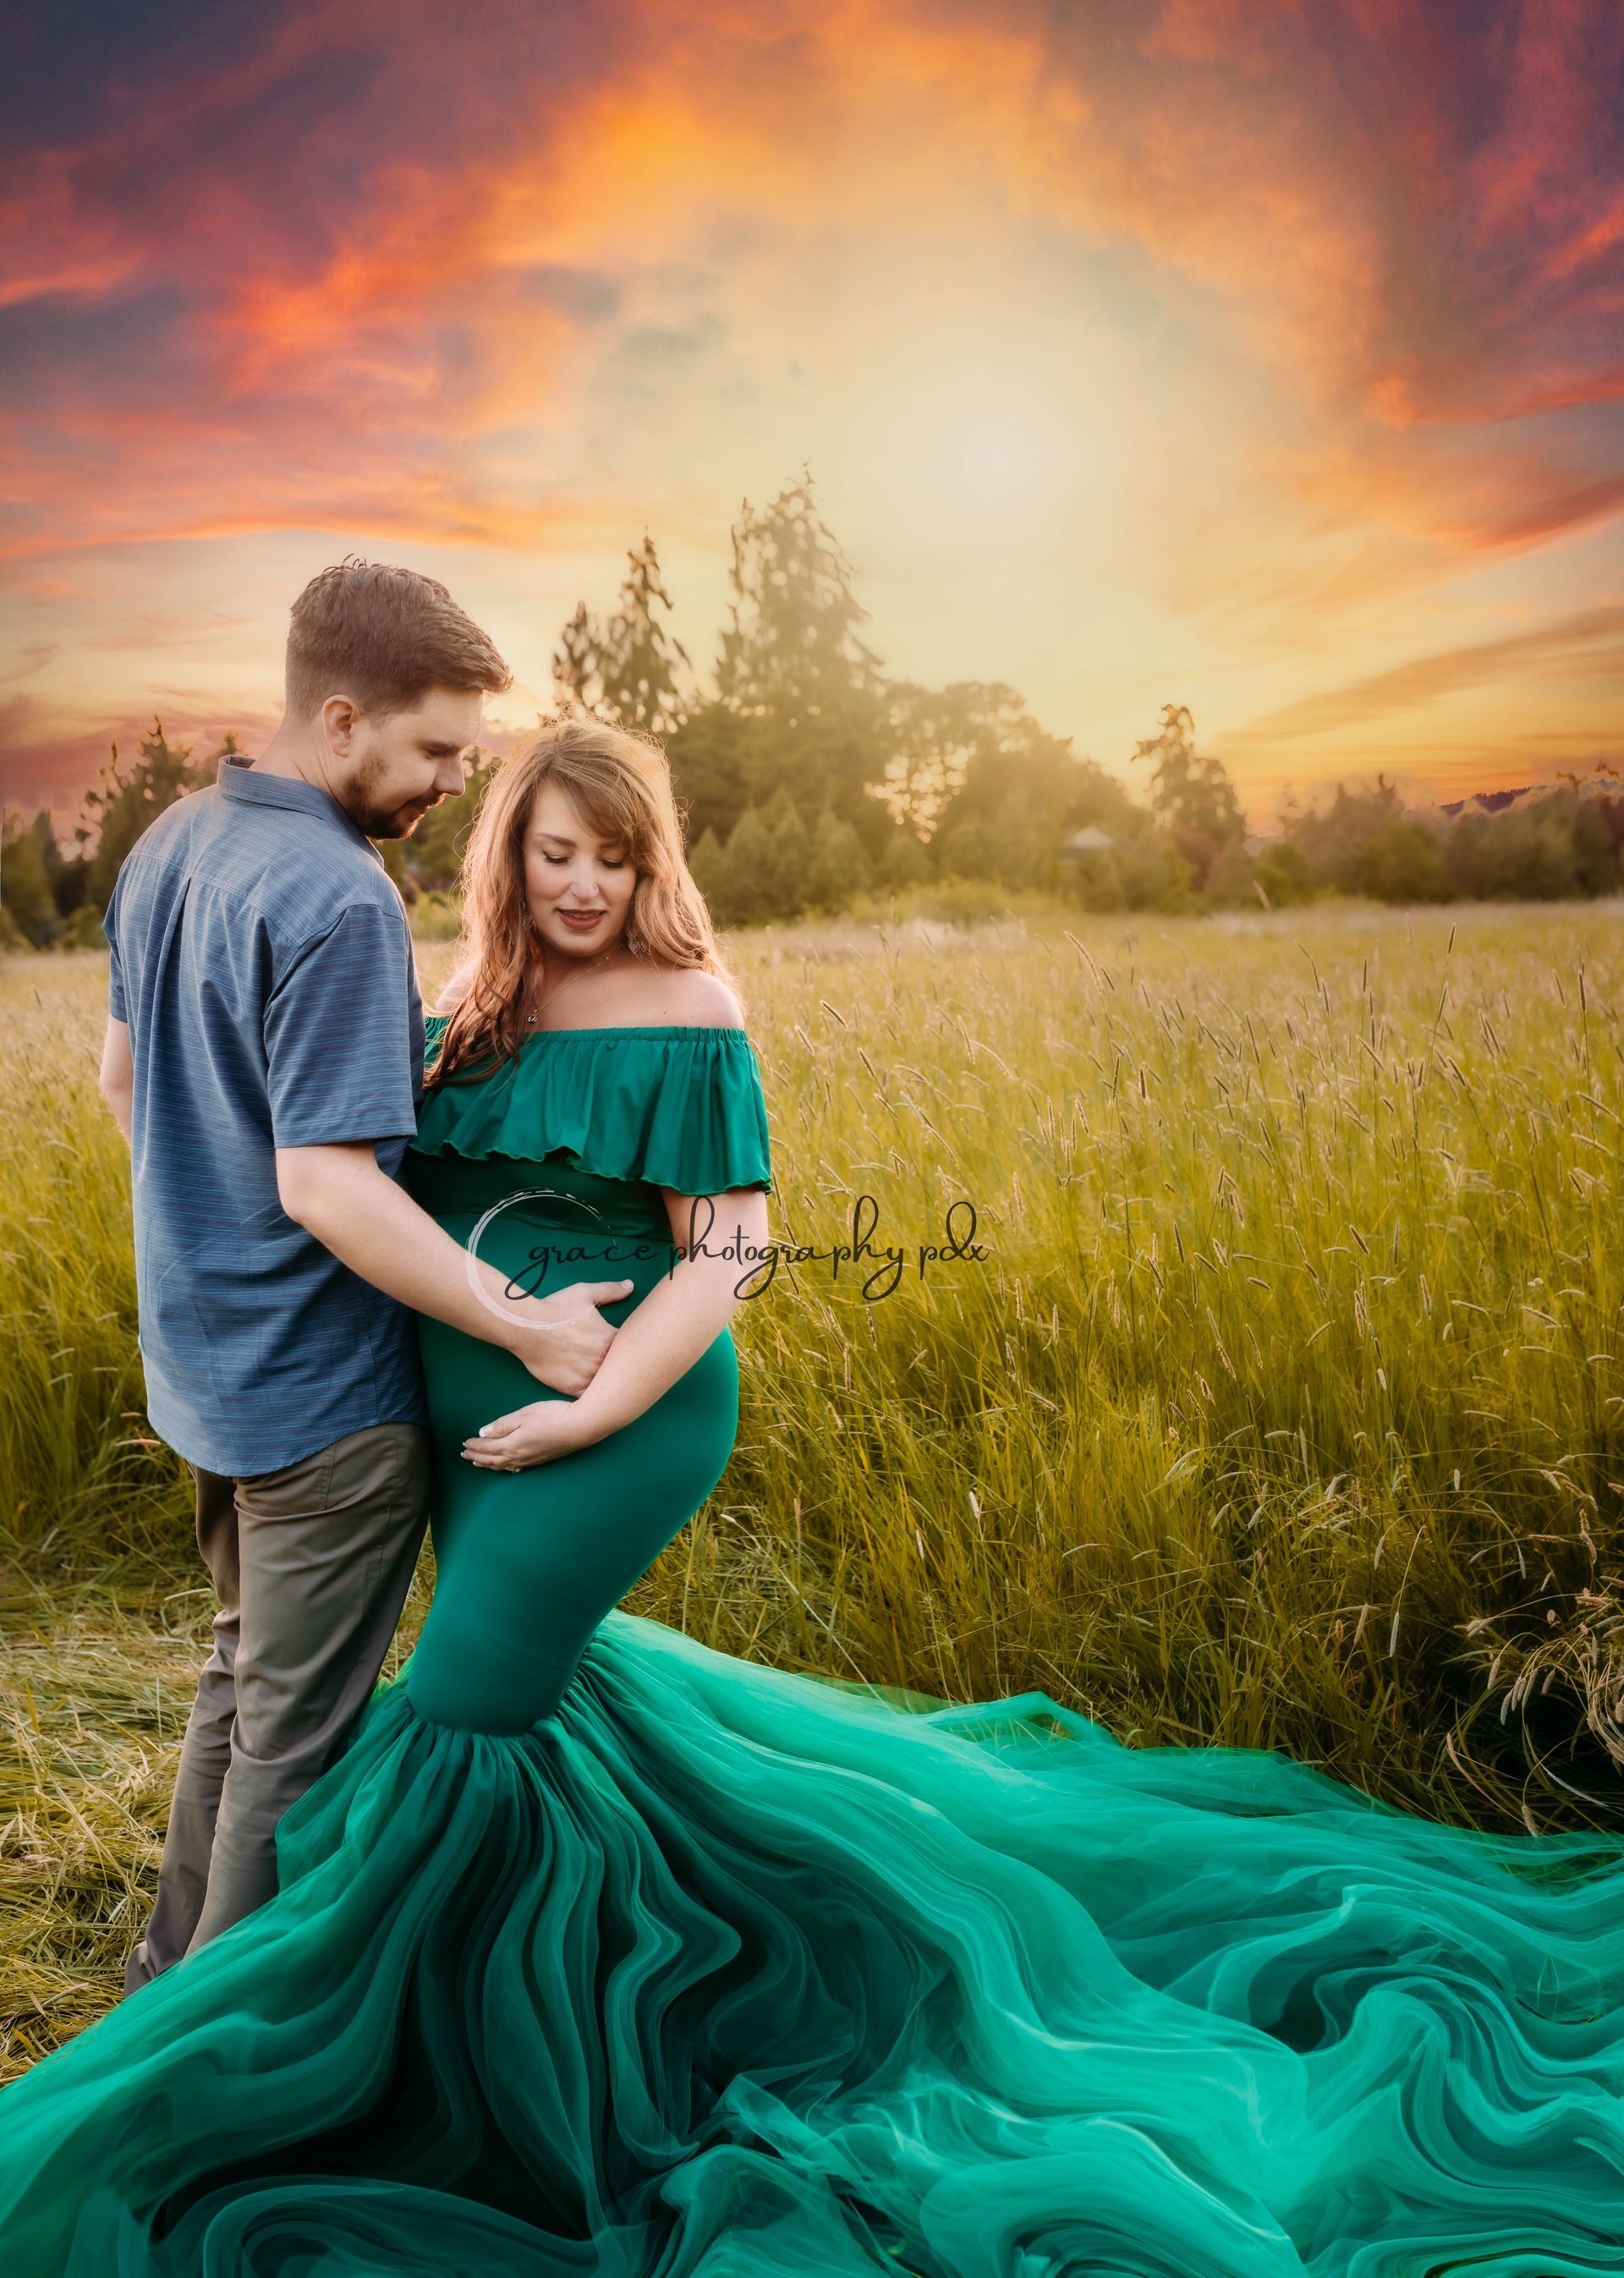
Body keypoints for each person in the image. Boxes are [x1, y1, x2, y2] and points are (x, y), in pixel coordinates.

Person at [6, 717, 1624, 2275]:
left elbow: (729, 1248)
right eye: (558, 853)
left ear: (655, 865)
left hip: (618, 1422)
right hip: (468, 1418)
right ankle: (578, 1999)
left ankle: (307, 2081)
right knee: (533, 1716)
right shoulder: (465, 998)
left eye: (616, 858)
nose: (585, 886)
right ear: (512, 854)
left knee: (456, 1727)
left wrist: (595, 1416)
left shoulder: (688, 998)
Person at [95, 558, 634, 1990]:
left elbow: (121, 1079)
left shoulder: (172, 844)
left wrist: (209, 1223)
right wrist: (524, 1326)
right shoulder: (338, 899)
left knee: (239, 1681)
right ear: (340, 720)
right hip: (320, 1398)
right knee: (301, 1742)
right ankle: (211, 2066)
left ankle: (166, 1979)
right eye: (438, 748)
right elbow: (327, 1184)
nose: (460, 779)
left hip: (204, 1368)